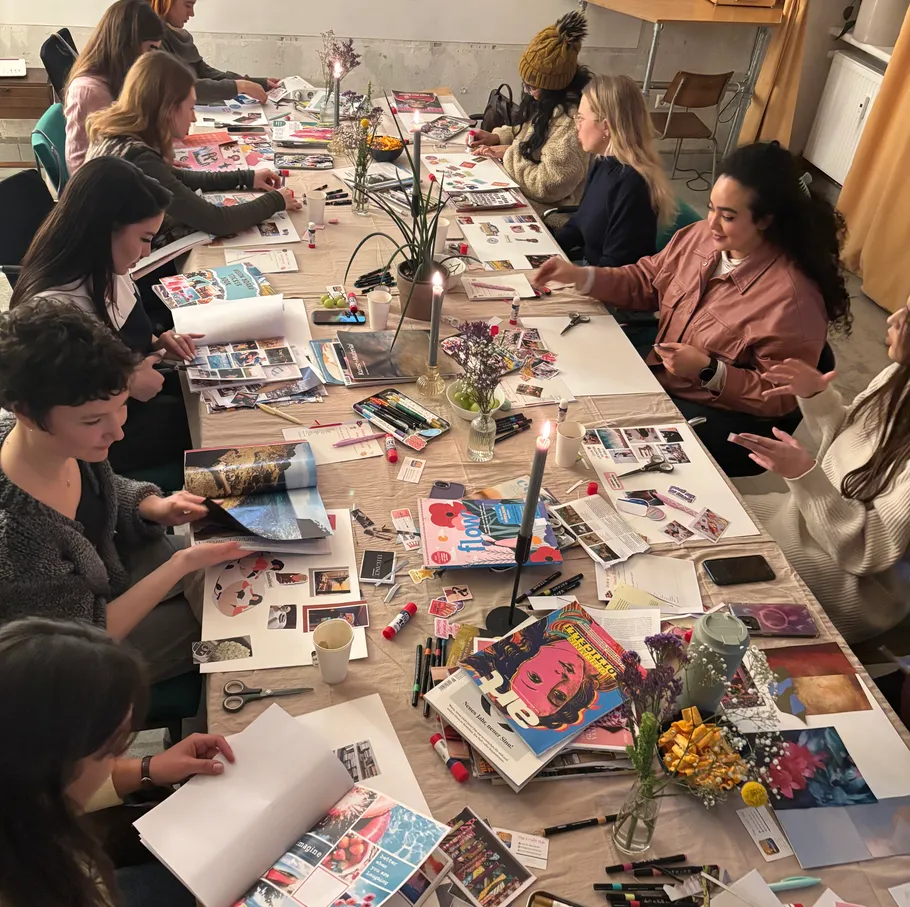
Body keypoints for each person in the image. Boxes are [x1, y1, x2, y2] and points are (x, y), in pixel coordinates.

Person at [534, 141, 852, 475]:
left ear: (766, 220)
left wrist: (710, 371)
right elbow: (646, 280)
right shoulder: (702, 238)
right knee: (560, 390)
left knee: (587, 447)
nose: (711, 223)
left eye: (727, 216)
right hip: (661, 377)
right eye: (711, 207)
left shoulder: (794, 300)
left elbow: (780, 399)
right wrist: (582, 276)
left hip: (714, 413)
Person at [0, 298, 241, 681]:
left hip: (115, 571)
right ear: (26, 414)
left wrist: (151, 506)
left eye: (122, 406)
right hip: (80, 657)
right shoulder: (17, 537)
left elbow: (103, 490)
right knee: (230, 628)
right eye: (94, 420)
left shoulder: (62, 443)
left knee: (232, 569)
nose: (118, 432)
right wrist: (179, 565)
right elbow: (81, 638)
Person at [0, 617, 234, 907]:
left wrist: (149, 768)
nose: (121, 758)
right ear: (55, 760)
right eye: (112, 747)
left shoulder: (20, 787)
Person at [731, 303, 910, 645]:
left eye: (908, 317)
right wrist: (817, 397)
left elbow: (866, 551)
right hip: (807, 524)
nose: (892, 318)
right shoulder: (898, 376)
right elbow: (853, 445)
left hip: (849, 582)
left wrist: (805, 476)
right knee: (704, 518)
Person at [10, 157, 195, 476]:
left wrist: (158, 340)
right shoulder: (56, 310)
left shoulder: (105, 265)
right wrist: (128, 382)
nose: (147, 252)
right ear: (106, 229)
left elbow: (128, 323)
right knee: (212, 423)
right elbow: (57, 409)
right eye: (144, 239)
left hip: (132, 403)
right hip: (102, 443)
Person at [85, 51, 300, 254]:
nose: (194, 118)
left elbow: (178, 178)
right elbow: (217, 220)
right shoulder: (140, 159)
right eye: (190, 108)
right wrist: (276, 201)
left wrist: (246, 177)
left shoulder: (123, 138)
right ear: (169, 109)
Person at [469, 11, 591, 214]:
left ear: (553, 87)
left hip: (545, 215)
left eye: (532, 87)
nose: (527, 92)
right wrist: (496, 137)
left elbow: (548, 186)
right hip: (520, 194)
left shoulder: (572, 122)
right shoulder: (545, 101)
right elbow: (527, 130)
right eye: (525, 84)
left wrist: (509, 153)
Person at [554, 74, 675, 267]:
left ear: (606, 126)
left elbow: (616, 268)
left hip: (606, 287)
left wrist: (574, 277)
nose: (577, 126)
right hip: (589, 273)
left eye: (581, 118)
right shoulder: (602, 162)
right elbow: (579, 223)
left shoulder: (633, 184)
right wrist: (547, 252)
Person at [63, 0, 164, 174]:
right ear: (128, 45)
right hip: (100, 186)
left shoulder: (117, 77)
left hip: (120, 173)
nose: (152, 59)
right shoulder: (91, 90)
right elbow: (119, 153)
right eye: (151, 49)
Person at [149, 0, 277, 104]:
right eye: (188, 5)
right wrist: (239, 86)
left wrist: (255, 82)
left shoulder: (182, 36)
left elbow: (205, 72)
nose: (192, 13)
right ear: (166, 2)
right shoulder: (151, 41)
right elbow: (180, 87)